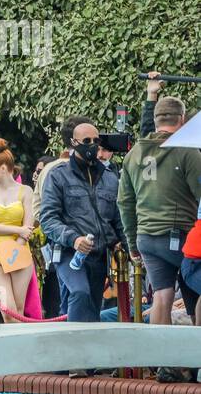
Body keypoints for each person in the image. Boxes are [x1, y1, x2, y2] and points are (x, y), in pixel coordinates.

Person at [118, 96, 201, 331]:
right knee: (195, 293)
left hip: (146, 237)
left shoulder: (133, 154)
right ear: (182, 120)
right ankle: (197, 358)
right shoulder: (187, 151)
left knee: (162, 296)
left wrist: (132, 241)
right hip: (181, 235)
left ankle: (164, 365)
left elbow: (124, 201)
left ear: (155, 120)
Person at [39, 119, 126, 325]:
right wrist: (74, 239)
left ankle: (82, 350)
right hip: (69, 252)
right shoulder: (58, 176)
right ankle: (74, 350)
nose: (92, 144)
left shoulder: (110, 178)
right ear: (73, 143)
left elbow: (117, 218)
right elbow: (48, 219)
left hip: (99, 255)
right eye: (86, 140)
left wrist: (124, 244)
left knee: (92, 310)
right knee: (80, 293)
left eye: (96, 140)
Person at [0, 138, 36, 322]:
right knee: (7, 310)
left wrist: (16, 247)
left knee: (18, 309)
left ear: (3, 168)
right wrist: (17, 231)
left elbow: (28, 226)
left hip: (18, 252)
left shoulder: (26, 191)